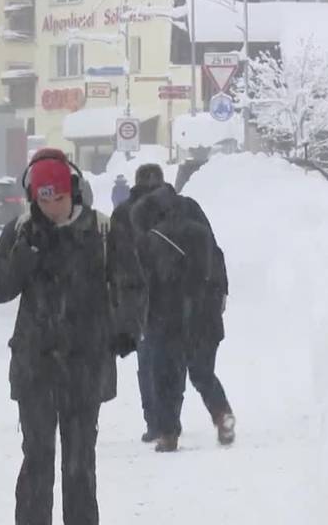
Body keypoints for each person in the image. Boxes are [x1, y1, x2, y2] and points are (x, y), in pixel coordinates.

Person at [0, 148, 133, 525]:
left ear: (74, 190)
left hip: (86, 367)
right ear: (33, 196)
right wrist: (27, 251)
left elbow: (130, 283)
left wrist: (127, 327)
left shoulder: (101, 230)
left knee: (79, 465)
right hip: (35, 368)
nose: (53, 207)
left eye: (60, 197)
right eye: (44, 198)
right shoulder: (20, 231)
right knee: (37, 460)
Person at [128, 164, 235, 452]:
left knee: (166, 373)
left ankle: (168, 434)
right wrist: (220, 292)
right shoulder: (192, 211)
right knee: (201, 371)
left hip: (167, 312)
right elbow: (217, 254)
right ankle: (221, 414)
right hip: (204, 308)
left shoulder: (146, 228)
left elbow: (142, 277)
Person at [106, 164, 162, 444]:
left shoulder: (123, 213)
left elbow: (112, 257)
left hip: (135, 295)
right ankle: (168, 418)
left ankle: (155, 421)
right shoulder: (175, 207)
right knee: (168, 359)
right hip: (170, 292)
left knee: (148, 359)